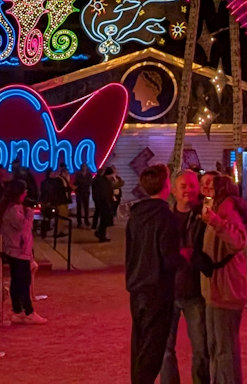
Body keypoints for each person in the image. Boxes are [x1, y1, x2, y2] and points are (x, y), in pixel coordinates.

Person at [125, 164, 181, 383]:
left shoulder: (136, 217)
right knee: (153, 347)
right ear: (166, 185)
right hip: (157, 288)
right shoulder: (165, 217)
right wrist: (183, 256)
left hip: (137, 286)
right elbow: (169, 259)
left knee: (139, 342)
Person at [198, 173, 247, 384]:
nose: (206, 188)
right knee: (216, 346)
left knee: (224, 348)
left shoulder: (227, 208)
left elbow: (239, 240)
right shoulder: (215, 207)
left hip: (226, 289)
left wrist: (217, 222)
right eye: (203, 184)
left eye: (211, 184)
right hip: (215, 288)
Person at [162, 168, 208, 384]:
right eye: (183, 186)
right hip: (168, 291)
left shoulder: (205, 216)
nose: (188, 190)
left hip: (195, 290)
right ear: (173, 190)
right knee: (165, 348)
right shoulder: (166, 217)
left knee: (201, 348)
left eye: (192, 185)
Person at [0, 180, 46, 325]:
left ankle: (17, 310)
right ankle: (28, 311)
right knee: (23, 282)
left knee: (17, 282)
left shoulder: (8, 208)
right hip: (18, 250)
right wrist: (29, 213)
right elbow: (23, 227)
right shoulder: (14, 210)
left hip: (14, 249)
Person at [95, 167, 125, 242]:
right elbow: (104, 194)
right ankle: (100, 234)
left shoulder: (107, 181)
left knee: (104, 220)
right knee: (104, 220)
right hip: (104, 203)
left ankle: (101, 234)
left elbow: (118, 185)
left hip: (107, 202)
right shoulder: (102, 181)